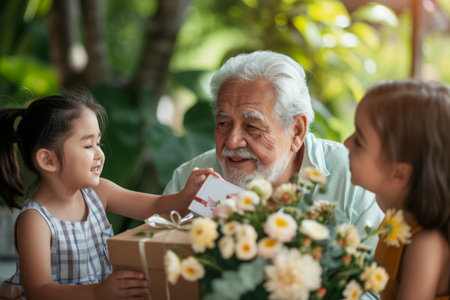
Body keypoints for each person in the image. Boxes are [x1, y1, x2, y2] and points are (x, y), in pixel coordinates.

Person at [0, 91, 219, 300]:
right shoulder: (35, 220)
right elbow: (40, 291)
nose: (99, 154)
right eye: (88, 145)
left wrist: (185, 196)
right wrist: (98, 294)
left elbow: (155, 207)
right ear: (48, 160)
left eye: (99, 143)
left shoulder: (98, 192)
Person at [164, 50, 384, 248]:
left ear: (297, 131)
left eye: (252, 127)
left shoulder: (353, 175)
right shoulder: (190, 179)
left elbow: (380, 287)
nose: (231, 142)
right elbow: (149, 248)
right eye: (223, 124)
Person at [344, 80, 450, 300]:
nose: (346, 143)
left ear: (398, 175)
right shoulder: (393, 211)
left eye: (359, 141)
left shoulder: (425, 246)